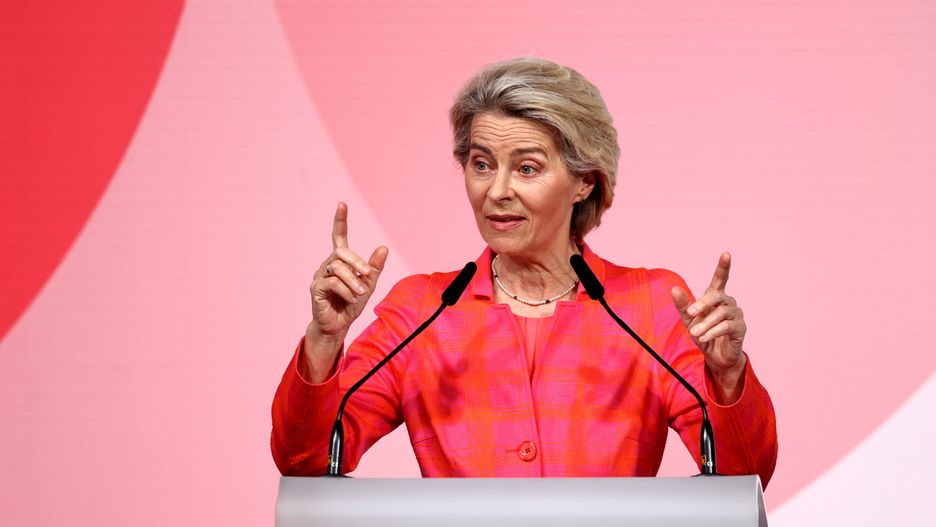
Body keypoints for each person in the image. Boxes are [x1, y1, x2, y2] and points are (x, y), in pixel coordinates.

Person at [271, 57, 777, 483]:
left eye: (527, 168)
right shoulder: (421, 310)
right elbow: (303, 459)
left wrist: (727, 375)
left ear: (583, 181)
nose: (497, 191)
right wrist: (325, 340)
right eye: (482, 164)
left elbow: (745, 472)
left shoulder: (649, 305)